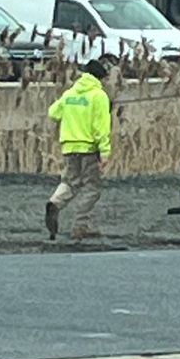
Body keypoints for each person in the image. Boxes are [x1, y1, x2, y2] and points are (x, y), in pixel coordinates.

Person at [46, 56, 113, 241]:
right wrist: (105, 152)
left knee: (70, 182)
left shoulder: (70, 93)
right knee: (92, 187)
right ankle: (79, 226)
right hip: (88, 148)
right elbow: (101, 128)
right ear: (100, 78)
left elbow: (53, 113)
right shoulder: (99, 96)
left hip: (68, 147)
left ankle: (54, 203)